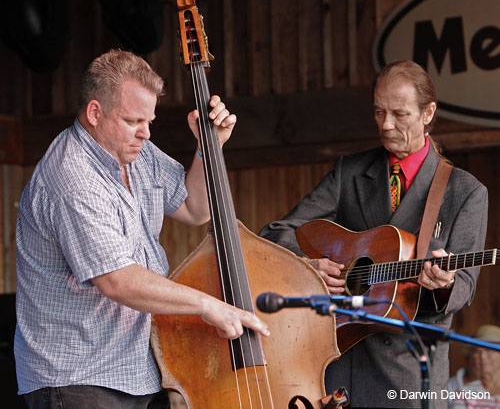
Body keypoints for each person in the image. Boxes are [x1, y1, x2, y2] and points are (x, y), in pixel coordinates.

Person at [15, 49, 269, 409]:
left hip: (137, 370)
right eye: (134, 121)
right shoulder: (72, 178)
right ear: (94, 113)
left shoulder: (137, 153)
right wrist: (208, 305)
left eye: (149, 121)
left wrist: (208, 147)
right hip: (77, 379)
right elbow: (117, 280)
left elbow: (195, 208)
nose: (145, 134)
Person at [260, 60, 488, 408]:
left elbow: (465, 287)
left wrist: (444, 285)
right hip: (341, 370)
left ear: (428, 113)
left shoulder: (465, 192)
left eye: (399, 114)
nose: (386, 125)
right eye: (379, 112)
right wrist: (309, 266)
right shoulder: (349, 173)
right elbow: (276, 233)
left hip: (410, 379)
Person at [449, 324, 500, 408]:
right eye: (477, 351)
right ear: (470, 357)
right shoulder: (463, 392)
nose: (482, 356)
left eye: (488, 349)